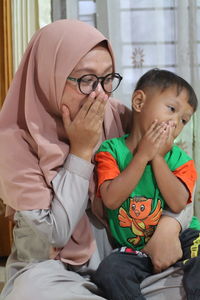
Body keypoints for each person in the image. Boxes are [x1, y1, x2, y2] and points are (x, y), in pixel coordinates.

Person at [0, 19, 195, 300]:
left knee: (188, 281)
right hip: (50, 273)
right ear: (49, 75)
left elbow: (178, 172)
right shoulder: (14, 142)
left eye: (107, 79)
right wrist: (80, 152)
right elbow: (54, 235)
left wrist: (169, 226)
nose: (99, 94)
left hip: (124, 264)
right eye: (86, 80)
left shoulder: (116, 115)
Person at [92, 69, 200, 300]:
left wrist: (157, 157)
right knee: (108, 272)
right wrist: (142, 156)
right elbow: (110, 199)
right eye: (171, 109)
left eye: (183, 120)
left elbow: (179, 202)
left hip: (183, 236)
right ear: (139, 101)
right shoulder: (111, 151)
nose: (175, 123)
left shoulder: (181, 160)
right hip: (135, 249)